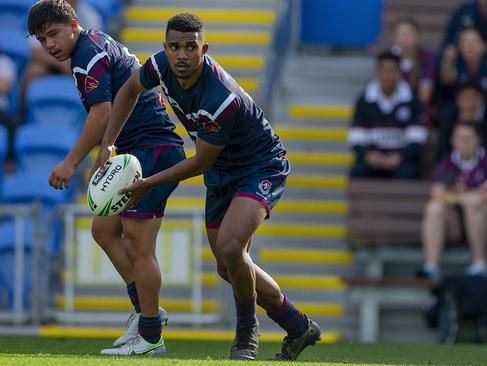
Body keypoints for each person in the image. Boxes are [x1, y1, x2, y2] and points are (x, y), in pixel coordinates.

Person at [93, 13, 321, 360]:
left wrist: (146, 184)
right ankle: (297, 325)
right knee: (226, 266)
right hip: (223, 172)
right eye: (174, 46)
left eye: (190, 47)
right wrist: (108, 143)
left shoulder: (220, 98)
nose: (181, 54)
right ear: (165, 48)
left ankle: (246, 333)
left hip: (259, 165)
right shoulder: (159, 66)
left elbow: (200, 162)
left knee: (231, 249)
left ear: (204, 48)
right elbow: (128, 90)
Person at [27, 0, 182, 354]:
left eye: (52, 34)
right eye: (41, 40)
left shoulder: (86, 53)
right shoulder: (93, 43)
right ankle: (147, 313)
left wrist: (70, 162)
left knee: (139, 247)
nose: (49, 45)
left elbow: (101, 112)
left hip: (152, 150)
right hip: (143, 148)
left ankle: (151, 336)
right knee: (103, 230)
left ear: (72, 24)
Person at [418, 122, 487, 280]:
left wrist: (469, 195)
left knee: (475, 206)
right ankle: (431, 265)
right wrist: (462, 197)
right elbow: (437, 192)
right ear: (452, 141)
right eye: (459, 138)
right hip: (455, 224)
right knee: (434, 208)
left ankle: (480, 263)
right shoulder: (447, 161)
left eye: (467, 138)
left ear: (478, 140)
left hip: (484, 222)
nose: (463, 142)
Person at [348, 51, 428, 179]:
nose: (388, 75)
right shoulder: (363, 100)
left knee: (408, 173)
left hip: (402, 159)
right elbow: (356, 136)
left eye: (392, 71)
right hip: (372, 159)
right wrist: (369, 155)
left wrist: (400, 156)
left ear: (399, 74)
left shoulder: (412, 100)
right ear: (377, 72)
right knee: (358, 172)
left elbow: (418, 137)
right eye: (384, 71)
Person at [20, 0, 102, 112]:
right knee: (34, 71)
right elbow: (34, 50)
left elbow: (94, 48)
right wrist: (61, 63)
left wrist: (73, 62)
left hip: (78, 59)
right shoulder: (44, 11)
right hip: (50, 60)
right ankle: (23, 113)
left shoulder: (89, 15)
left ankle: (91, 111)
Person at [436, 81, 487, 160]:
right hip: (454, 159)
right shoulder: (448, 115)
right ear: (458, 99)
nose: (468, 101)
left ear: (480, 98)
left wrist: (473, 124)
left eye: (472, 96)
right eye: (464, 96)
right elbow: (442, 146)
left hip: (483, 159)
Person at [389, 18, 436, 107]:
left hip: (418, 108)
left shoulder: (427, 57)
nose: (405, 38)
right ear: (394, 37)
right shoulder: (388, 58)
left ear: (417, 36)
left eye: (409, 34)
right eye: (402, 34)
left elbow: (424, 97)